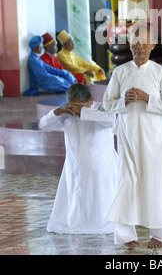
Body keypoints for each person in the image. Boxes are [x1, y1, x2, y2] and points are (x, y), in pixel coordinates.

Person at [103, 23, 162, 249]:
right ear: (129, 44)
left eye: (144, 42)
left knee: (157, 183)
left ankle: (161, 234)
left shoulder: (160, 73)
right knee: (126, 182)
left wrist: (148, 98)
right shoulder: (120, 72)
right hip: (128, 136)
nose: (139, 47)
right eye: (135, 42)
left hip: (156, 138)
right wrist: (122, 102)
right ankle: (126, 236)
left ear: (153, 44)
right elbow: (108, 105)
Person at [39, 83, 118, 234]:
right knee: (78, 198)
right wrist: (58, 111)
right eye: (73, 106)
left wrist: (84, 112)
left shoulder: (102, 108)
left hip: (101, 162)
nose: (75, 110)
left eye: (80, 106)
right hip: (76, 163)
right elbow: (44, 125)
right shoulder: (66, 113)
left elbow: (111, 121)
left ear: (91, 101)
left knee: (100, 199)